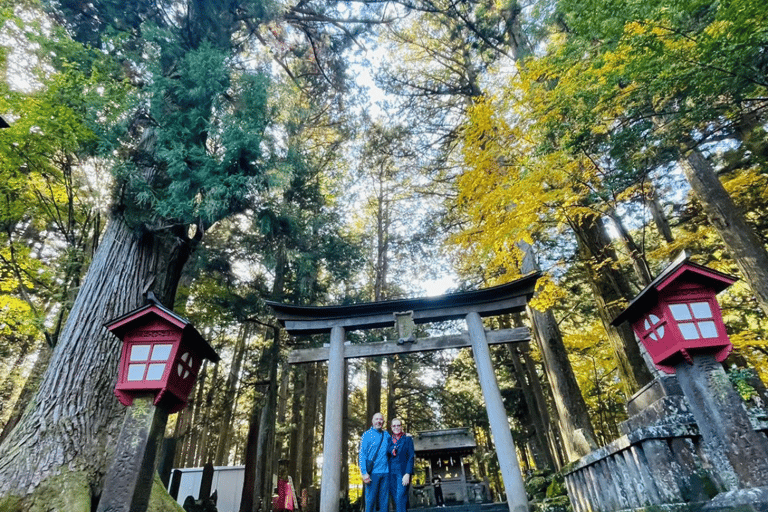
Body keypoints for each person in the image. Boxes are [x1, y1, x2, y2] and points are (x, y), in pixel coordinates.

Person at [359, 412, 391, 512]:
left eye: (380, 419)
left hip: (385, 473)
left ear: (383, 422)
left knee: (384, 503)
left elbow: (394, 445)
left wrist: (404, 436)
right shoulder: (366, 435)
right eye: (376, 419)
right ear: (372, 421)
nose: (379, 421)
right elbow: (362, 455)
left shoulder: (386, 434)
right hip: (372, 473)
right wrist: (364, 473)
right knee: (370, 502)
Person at [387, 418, 414, 512]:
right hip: (391, 473)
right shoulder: (389, 440)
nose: (396, 427)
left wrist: (408, 473)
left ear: (401, 427)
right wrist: (391, 450)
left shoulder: (407, 439)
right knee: (396, 499)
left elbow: (411, 457)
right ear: (391, 427)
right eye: (394, 426)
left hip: (403, 473)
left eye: (398, 425)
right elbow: (386, 451)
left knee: (400, 497)